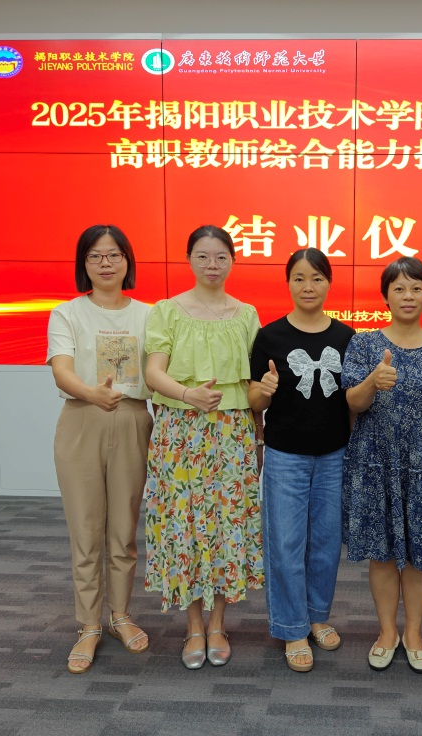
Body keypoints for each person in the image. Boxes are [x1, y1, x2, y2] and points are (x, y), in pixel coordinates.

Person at [142, 225, 263, 670]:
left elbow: (254, 384)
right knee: (186, 525)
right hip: (180, 431)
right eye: (203, 256)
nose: (212, 265)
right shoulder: (167, 311)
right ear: (189, 259)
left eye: (221, 257)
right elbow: (154, 372)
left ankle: (217, 624)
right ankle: (193, 625)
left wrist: (259, 432)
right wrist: (187, 394)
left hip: (232, 433)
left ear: (232, 261)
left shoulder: (246, 314)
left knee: (226, 524)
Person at [342, 257, 422, 673]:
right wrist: (371, 381)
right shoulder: (363, 345)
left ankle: (413, 632)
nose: (407, 296)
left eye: (416, 288)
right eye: (399, 288)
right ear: (386, 296)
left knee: (419, 554)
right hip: (375, 462)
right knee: (381, 553)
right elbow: (353, 403)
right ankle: (386, 632)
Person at [47, 224, 153, 674]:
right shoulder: (67, 313)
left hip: (132, 419)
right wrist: (92, 394)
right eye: (95, 255)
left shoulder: (151, 314)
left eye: (114, 255)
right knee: (86, 530)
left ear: (128, 261)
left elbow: (161, 371)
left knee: (124, 530)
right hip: (82, 419)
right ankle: (89, 625)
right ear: (83, 264)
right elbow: (62, 371)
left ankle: (120, 616)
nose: (106, 263)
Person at [248, 248, 355, 672]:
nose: (308, 286)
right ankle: (292, 628)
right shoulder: (270, 336)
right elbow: (253, 400)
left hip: (334, 454)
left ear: (329, 283)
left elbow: (352, 401)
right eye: (299, 278)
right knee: (286, 544)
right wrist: (264, 389)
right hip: (285, 455)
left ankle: (317, 617)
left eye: (316, 278)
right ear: (288, 283)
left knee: (326, 545)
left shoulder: (347, 337)